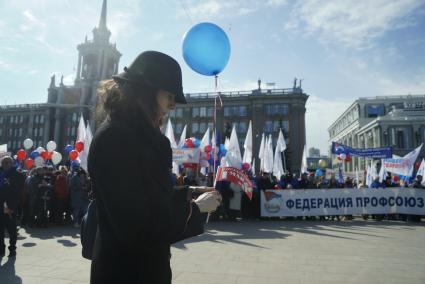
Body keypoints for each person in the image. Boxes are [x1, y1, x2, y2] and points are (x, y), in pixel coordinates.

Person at [88, 51, 221, 284]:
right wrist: (195, 211)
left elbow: (147, 195)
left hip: (144, 270)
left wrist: (188, 193)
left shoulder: (138, 135)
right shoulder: (116, 138)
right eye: (169, 95)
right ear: (145, 91)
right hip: (125, 273)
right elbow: (137, 227)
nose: (172, 106)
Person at [0, 156, 22, 257]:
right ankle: (1, 249)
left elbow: (17, 193)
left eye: (8, 162)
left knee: (12, 231)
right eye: (4, 162)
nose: (6, 164)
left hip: (10, 208)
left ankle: (12, 248)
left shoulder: (17, 175)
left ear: (12, 163)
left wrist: (11, 207)